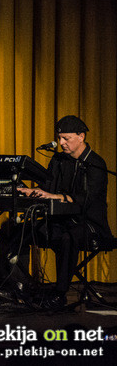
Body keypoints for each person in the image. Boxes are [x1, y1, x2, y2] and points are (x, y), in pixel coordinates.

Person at [14, 115, 112, 309]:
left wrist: (54, 196)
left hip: (90, 225)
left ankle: (60, 294)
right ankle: (19, 286)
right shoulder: (59, 160)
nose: (61, 143)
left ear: (81, 137)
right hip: (60, 221)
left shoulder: (95, 164)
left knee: (69, 238)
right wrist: (32, 191)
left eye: (66, 138)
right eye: (60, 139)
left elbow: (85, 201)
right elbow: (47, 186)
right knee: (23, 231)